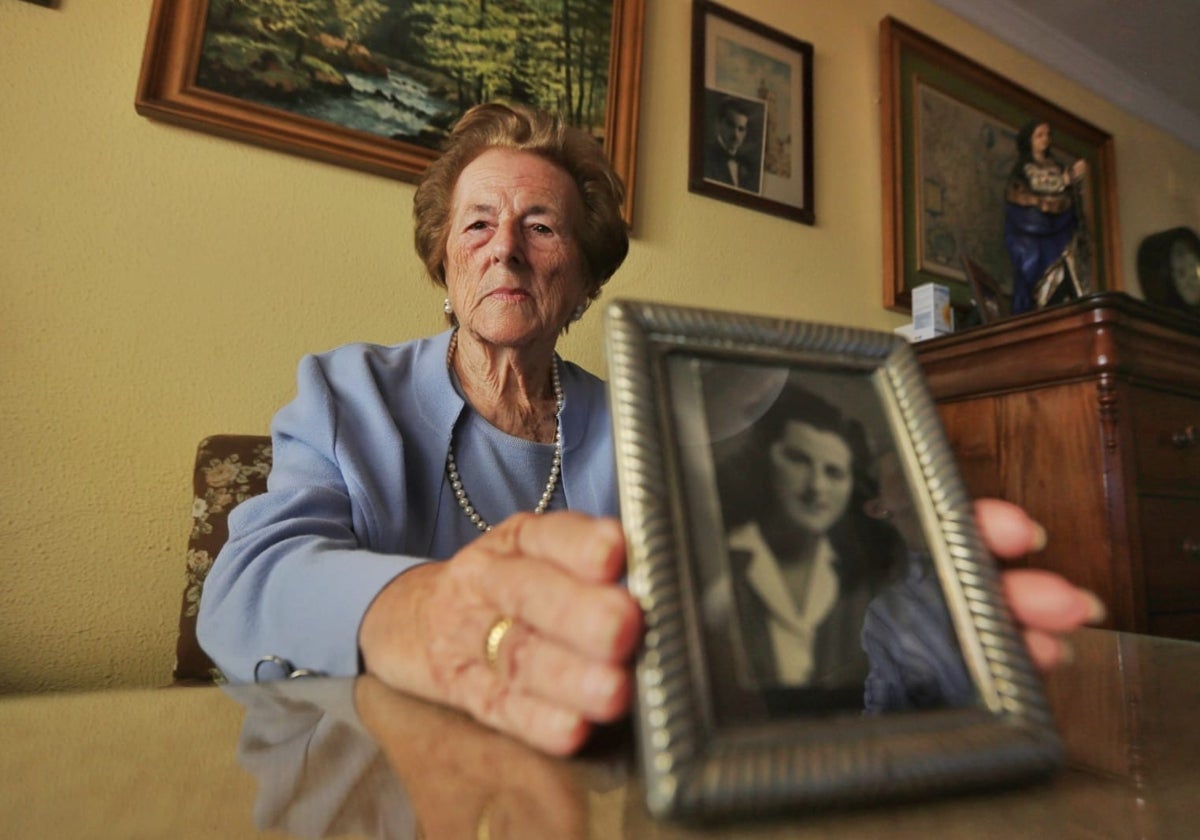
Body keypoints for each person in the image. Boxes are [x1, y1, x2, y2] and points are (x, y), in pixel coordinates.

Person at [199, 101, 1105, 757]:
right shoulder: (348, 393)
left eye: (541, 226)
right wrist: (426, 615)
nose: (505, 248)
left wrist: (927, 648)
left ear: (585, 281)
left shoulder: (648, 423)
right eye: (477, 224)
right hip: (377, 782)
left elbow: (746, 613)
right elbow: (247, 587)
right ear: (444, 261)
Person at [704, 381, 912, 709]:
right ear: (765, 460)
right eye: (798, 460)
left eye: (834, 473)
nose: (816, 487)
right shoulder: (715, 560)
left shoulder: (865, 575)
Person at [1004, 120, 1089, 314]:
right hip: (1031, 230)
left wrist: (1075, 181)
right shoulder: (1022, 169)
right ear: (1030, 140)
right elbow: (1019, 194)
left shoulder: (1057, 166)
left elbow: (1071, 195)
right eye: (1039, 135)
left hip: (1060, 227)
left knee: (1064, 267)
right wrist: (1064, 181)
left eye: (1047, 135)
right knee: (1033, 271)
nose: (1045, 139)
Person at [703, 95, 762, 193]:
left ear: (745, 133)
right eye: (730, 125)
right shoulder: (705, 156)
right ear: (719, 123)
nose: (736, 134)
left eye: (741, 129)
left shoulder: (748, 167)